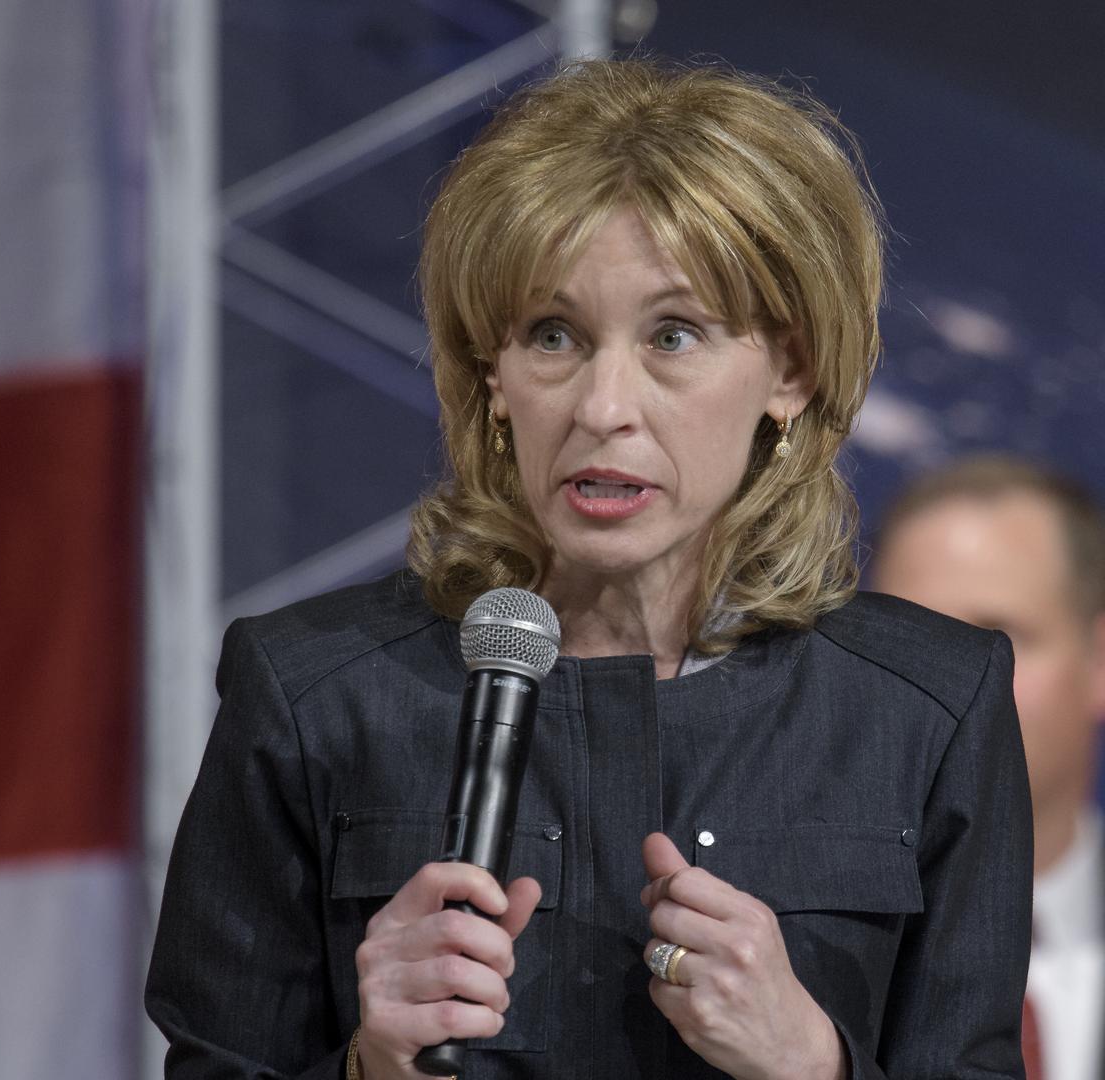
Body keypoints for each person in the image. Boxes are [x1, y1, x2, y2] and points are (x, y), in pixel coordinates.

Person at [146, 59, 1032, 1080]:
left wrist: (812, 1064)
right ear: (492, 377)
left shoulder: (926, 708)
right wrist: (371, 1065)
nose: (602, 407)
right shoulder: (314, 694)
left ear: (787, 372)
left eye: (672, 335)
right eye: (552, 335)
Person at [872, 456, 1105, 1080]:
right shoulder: (789, 951)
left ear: (1099, 656)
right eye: (909, 641)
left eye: (994, 640)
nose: (950, 685)